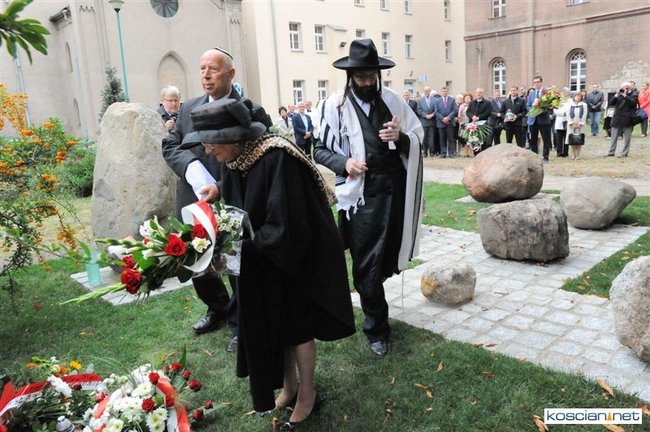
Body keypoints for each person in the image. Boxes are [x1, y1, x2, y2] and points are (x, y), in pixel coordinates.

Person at [181, 98, 355, 427]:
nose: (208, 151)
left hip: (295, 257)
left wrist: (237, 252)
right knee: (276, 323)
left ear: (234, 138)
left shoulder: (278, 157)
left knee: (297, 327)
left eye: (211, 144)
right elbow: (244, 191)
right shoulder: (239, 156)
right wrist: (219, 190)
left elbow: (286, 226)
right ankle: (289, 387)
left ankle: (308, 393)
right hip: (265, 257)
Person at [314, 38, 423, 357]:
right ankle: (377, 328)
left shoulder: (394, 101)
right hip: (360, 199)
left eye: (370, 76)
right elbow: (319, 149)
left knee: (387, 259)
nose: (365, 82)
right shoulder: (333, 106)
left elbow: (418, 138)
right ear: (350, 76)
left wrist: (400, 138)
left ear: (378, 74)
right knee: (366, 266)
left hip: (395, 193)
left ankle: (375, 303)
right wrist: (344, 163)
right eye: (360, 76)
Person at [162, 47, 271, 351]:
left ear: (230, 74)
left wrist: (221, 185)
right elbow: (170, 146)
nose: (206, 75)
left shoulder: (249, 110)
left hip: (233, 198)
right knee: (198, 262)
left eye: (213, 69)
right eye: (202, 69)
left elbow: (260, 157)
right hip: (194, 200)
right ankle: (217, 307)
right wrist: (192, 168)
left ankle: (239, 322)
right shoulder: (188, 109)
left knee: (234, 263)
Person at [605, 82, 639, 158]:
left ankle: (624, 153)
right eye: (622, 87)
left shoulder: (634, 94)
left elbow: (633, 103)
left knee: (627, 138)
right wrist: (616, 95)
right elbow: (611, 103)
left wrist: (625, 95)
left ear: (628, 88)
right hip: (617, 118)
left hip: (627, 119)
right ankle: (611, 152)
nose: (623, 89)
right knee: (613, 137)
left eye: (624, 88)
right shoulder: (619, 94)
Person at [526, 75, 553, 162]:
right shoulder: (531, 94)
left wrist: (541, 107)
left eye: (538, 82)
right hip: (533, 120)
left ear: (541, 82)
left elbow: (550, 105)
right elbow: (527, 105)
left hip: (543, 119)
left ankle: (545, 157)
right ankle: (535, 158)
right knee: (533, 140)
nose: (536, 84)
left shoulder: (546, 93)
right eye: (535, 82)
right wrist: (533, 108)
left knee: (546, 139)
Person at [434, 86, 458, 158]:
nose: (444, 92)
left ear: (448, 91)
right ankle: (443, 153)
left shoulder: (452, 99)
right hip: (441, 122)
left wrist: (448, 118)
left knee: (450, 139)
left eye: (446, 91)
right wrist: (443, 119)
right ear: (441, 92)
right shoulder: (437, 100)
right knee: (442, 139)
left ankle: (451, 153)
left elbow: (454, 110)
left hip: (450, 122)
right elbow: (436, 111)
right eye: (443, 91)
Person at [465, 87, 491, 153]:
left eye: (480, 92)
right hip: (473, 124)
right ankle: (476, 154)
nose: (478, 94)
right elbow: (468, 112)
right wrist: (472, 116)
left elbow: (488, 112)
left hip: (483, 124)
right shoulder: (472, 102)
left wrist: (479, 117)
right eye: (477, 92)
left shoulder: (487, 103)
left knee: (483, 140)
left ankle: (484, 154)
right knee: (474, 140)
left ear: (483, 93)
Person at [565, 92, 588, 160]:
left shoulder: (584, 105)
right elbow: (567, 114)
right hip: (571, 124)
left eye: (579, 96)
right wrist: (571, 123)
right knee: (572, 139)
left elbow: (585, 114)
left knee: (579, 139)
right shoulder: (570, 104)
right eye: (577, 96)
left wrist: (580, 123)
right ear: (574, 97)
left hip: (580, 123)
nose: (578, 97)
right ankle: (573, 154)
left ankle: (578, 155)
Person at [417, 85, 436, 157]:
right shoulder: (420, 101)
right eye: (425, 91)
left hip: (432, 121)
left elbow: (437, 109)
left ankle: (431, 152)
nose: (426, 92)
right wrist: (425, 116)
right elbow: (419, 110)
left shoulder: (435, 100)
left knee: (431, 138)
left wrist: (432, 114)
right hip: (424, 121)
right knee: (424, 138)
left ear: (430, 91)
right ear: (423, 92)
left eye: (428, 91)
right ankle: (425, 152)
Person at [457, 93, 473, 157]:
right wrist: (461, 123)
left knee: (471, 138)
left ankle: (471, 152)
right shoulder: (462, 106)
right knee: (465, 139)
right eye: (465, 98)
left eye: (468, 98)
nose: (467, 99)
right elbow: (459, 116)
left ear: (471, 99)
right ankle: (465, 152)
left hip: (471, 123)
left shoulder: (473, 105)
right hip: (463, 124)